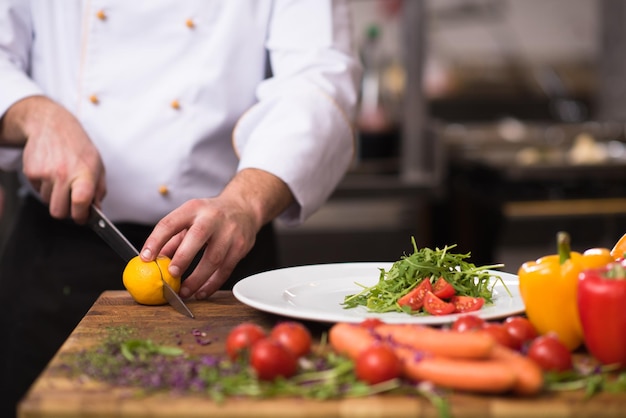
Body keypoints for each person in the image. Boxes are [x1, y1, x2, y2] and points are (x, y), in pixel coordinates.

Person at [0, 1, 361, 416]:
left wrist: (245, 200)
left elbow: (320, 78)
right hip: (56, 255)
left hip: (222, 258)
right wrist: (32, 112)